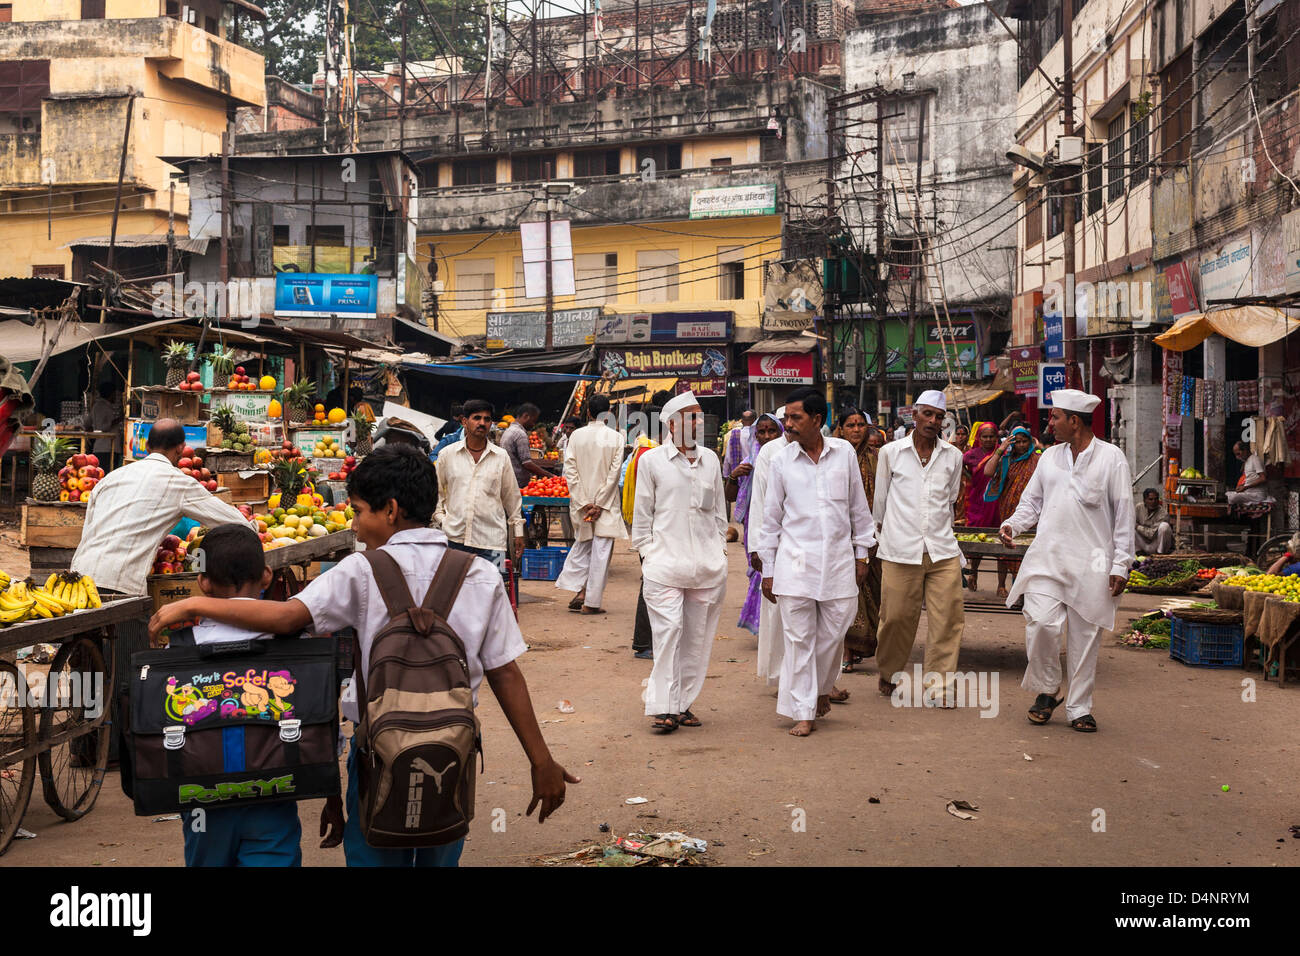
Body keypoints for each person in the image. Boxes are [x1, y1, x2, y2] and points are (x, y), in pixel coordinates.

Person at [149, 444, 578, 866]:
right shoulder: (479, 574)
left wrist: (193, 605)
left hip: (377, 752)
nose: (353, 525)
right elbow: (506, 674)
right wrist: (541, 761)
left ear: (389, 511)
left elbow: (285, 619)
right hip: (453, 752)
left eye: (357, 510)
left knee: (374, 852)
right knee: (440, 853)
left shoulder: (359, 570)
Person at [999, 389, 1135, 735]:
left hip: (1092, 564)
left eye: (1055, 416)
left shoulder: (1111, 458)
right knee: (1041, 624)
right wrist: (1013, 523)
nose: (1050, 422)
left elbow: (1124, 516)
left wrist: (1121, 564)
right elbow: (1032, 503)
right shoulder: (1049, 458)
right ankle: (1047, 688)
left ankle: (1079, 707)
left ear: (1074, 421)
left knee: (1085, 638)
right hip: (1048, 558)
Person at [176, 523, 304, 867]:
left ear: (203, 582)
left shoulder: (181, 649)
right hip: (274, 795)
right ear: (266, 575)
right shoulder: (290, 646)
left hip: (203, 802)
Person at [758, 389, 875, 737]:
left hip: (839, 562)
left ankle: (822, 687)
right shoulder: (781, 461)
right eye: (787, 417)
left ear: (817, 420)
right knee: (799, 639)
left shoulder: (843, 455)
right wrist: (768, 569)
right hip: (795, 563)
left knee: (835, 629)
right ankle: (804, 710)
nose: (787, 424)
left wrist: (862, 552)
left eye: (795, 418)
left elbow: (859, 509)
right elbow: (771, 520)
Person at [631, 391, 728, 733]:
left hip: (705, 566)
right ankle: (662, 707)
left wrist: (721, 552)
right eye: (690, 415)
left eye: (699, 416)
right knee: (669, 632)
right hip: (664, 565)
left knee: (696, 638)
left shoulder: (711, 460)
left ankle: (682, 704)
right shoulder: (651, 461)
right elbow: (641, 516)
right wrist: (647, 554)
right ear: (671, 423)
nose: (697, 421)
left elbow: (719, 514)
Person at [72, 419, 250, 597]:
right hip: (120, 584)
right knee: (134, 625)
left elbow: (88, 531)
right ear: (181, 448)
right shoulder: (178, 482)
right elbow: (238, 524)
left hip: (75, 579)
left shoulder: (111, 477)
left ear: (147, 446)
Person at [873, 390, 966, 705]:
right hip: (900, 549)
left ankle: (939, 689)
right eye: (927, 414)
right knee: (896, 618)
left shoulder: (953, 456)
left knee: (948, 621)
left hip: (942, 550)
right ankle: (889, 672)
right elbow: (881, 504)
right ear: (914, 414)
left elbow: (950, 499)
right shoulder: (891, 453)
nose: (933, 421)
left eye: (939, 417)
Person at [432, 398, 524, 569]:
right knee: (455, 591)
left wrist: (518, 532)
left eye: (487, 419)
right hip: (454, 539)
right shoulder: (447, 455)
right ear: (465, 422)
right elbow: (436, 492)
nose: (482, 423)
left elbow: (511, 497)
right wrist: (442, 519)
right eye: (477, 418)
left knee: (494, 590)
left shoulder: (501, 457)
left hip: (492, 541)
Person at [555, 395, 625, 615]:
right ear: (609, 413)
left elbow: (571, 472)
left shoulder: (576, 436)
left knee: (583, 546)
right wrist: (599, 503)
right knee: (601, 553)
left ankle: (581, 591)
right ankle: (590, 601)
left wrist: (585, 503)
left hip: (581, 504)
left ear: (588, 413)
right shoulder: (616, 437)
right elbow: (614, 475)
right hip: (606, 505)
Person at [835, 408, 882, 672]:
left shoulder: (878, 458)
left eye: (861, 425)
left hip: (873, 535)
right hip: (841, 535)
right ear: (840, 429)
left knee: (871, 591)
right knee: (847, 592)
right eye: (850, 425)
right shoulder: (833, 457)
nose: (856, 429)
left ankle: (861, 645)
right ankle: (845, 650)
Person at [747, 407, 791, 686]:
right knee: (777, 612)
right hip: (778, 543)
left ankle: (822, 680)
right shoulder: (771, 452)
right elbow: (760, 504)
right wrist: (758, 549)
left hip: (814, 545)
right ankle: (778, 676)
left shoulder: (833, 451)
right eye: (790, 419)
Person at [730, 412, 784, 635]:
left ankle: (774, 625)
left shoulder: (786, 458)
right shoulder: (749, 461)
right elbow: (730, 496)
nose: (767, 436)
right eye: (761, 431)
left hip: (779, 523)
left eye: (772, 431)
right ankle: (763, 624)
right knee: (759, 570)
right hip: (754, 522)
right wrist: (734, 476)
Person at [982, 426, 1039, 598]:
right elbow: (988, 471)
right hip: (1008, 509)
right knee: (1006, 546)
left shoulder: (1038, 460)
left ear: (1030, 441)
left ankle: (1023, 590)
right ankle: (1002, 585)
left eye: (1024, 441)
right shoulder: (1007, 460)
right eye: (1017, 442)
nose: (1021, 445)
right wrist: (1001, 449)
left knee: (1028, 550)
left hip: (1032, 513)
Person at [962, 423, 1001, 590]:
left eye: (991, 436)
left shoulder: (1003, 453)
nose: (988, 439)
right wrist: (971, 477)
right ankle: (973, 574)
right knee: (976, 541)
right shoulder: (971, 455)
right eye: (984, 436)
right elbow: (961, 466)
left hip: (996, 502)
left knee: (1000, 544)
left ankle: (1001, 584)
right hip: (976, 501)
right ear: (979, 437)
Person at [501, 403, 550, 487]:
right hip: (518, 483)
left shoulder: (508, 431)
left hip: (508, 480)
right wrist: (549, 475)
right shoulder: (520, 434)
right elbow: (527, 463)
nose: (533, 425)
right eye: (533, 421)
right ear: (526, 416)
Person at [1227, 440, 1274, 507]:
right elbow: (1250, 479)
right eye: (1236, 455)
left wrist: (1245, 487)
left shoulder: (1255, 459)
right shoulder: (1246, 462)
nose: (1237, 457)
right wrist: (1242, 486)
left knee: (1231, 498)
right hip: (1249, 493)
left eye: (1238, 454)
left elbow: (1263, 478)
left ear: (1245, 450)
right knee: (1227, 494)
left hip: (1257, 494)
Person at [89, 380, 123, 470]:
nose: (115, 397)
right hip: (106, 448)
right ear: (110, 394)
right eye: (114, 395)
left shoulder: (100, 406)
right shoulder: (101, 406)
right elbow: (101, 427)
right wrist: (119, 419)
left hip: (106, 448)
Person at [1135, 488, 1174, 555]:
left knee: (1164, 526)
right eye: (1150, 499)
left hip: (1156, 545)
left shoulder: (1163, 513)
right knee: (1130, 526)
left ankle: (1160, 554)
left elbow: (1151, 534)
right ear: (1144, 500)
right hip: (1143, 544)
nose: (1153, 502)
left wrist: (1137, 526)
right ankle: (1138, 552)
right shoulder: (1139, 507)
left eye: (1156, 499)